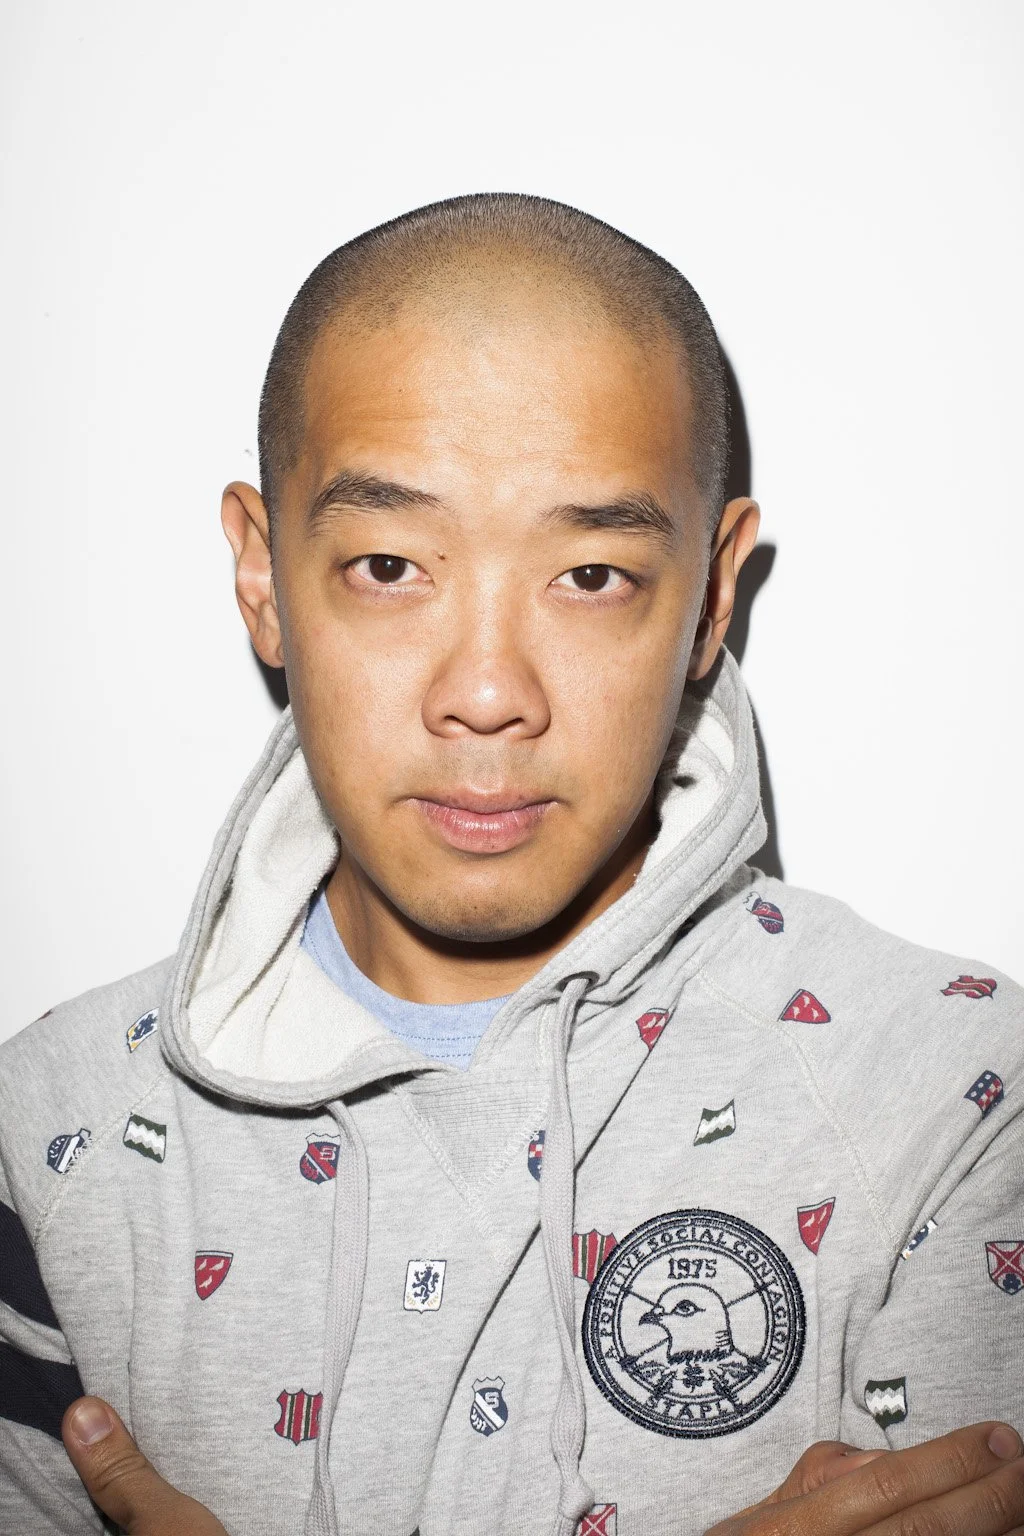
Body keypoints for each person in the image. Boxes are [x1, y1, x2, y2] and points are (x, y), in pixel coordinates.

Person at [1, 193, 1021, 1536]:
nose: (486, 694)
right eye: (386, 565)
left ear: (714, 594)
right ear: (262, 575)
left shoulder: (953, 1104)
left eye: (591, 576)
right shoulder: (51, 1135)